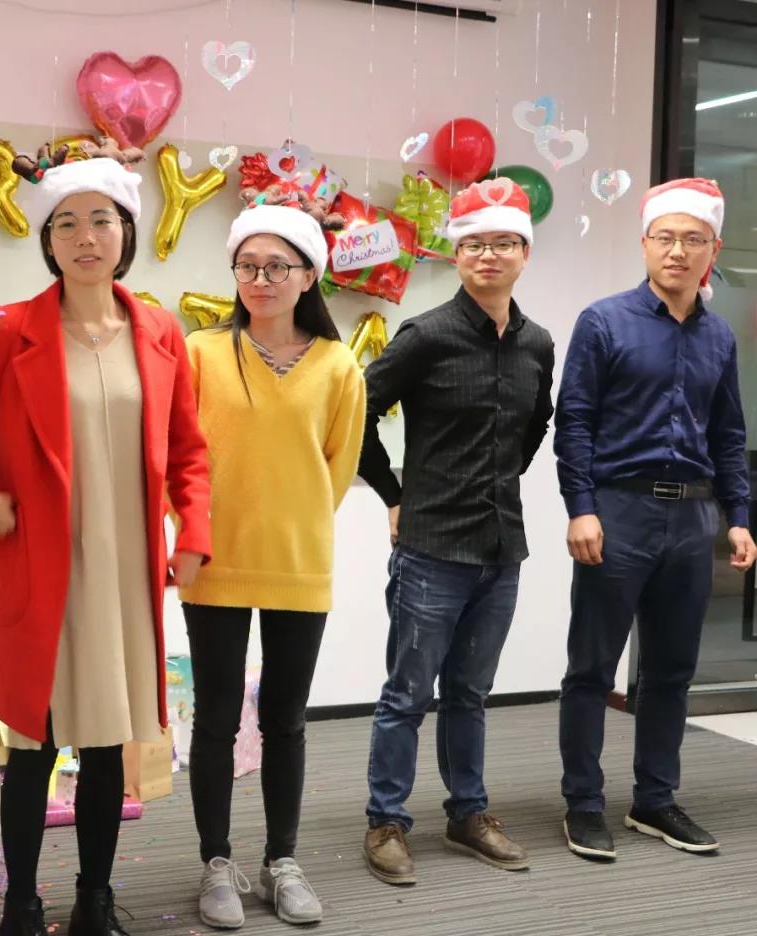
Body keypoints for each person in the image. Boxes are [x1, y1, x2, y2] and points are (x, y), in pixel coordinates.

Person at [0, 137, 211, 936]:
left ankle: (95, 901)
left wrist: (193, 529)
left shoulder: (160, 331)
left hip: (124, 574)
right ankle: (21, 905)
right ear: (46, 240)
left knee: (108, 746)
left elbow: (189, 451)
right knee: (35, 744)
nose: (85, 237)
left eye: (102, 220)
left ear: (126, 232)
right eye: (67, 223)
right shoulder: (11, 330)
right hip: (42, 570)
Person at [358, 180, 554, 885]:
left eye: (503, 243)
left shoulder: (537, 343)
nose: (488, 255)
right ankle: (386, 821)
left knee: (470, 693)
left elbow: (536, 424)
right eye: (474, 244)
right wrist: (394, 496)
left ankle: (468, 813)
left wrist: (497, 480)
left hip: (502, 549)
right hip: (432, 549)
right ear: (457, 255)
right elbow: (354, 413)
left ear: (524, 252)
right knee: (407, 695)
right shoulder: (426, 334)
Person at [179, 187, 365, 929]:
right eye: (248, 266)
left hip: (298, 560)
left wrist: (296, 520)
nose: (261, 279)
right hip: (213, 560)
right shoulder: (200, 352)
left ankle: (281, 860)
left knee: (286, 719)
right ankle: (215, 861)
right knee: (217, 719)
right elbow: (180, 458)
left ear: (309, 275)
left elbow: (338, 467)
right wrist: (187, 535)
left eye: (278, 266)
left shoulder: (339, 365)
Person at [556, 178, 757, 861]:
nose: (678, 251)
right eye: (665, 237)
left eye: (693, 239)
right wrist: (581, 507)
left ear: (712, 251)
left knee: (672, 670)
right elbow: (574, 422)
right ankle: (584, 803)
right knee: (592, 667)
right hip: (618, 511)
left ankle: (655, 798)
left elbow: (728, 432)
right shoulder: (604, 322)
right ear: (645, 244)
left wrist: (738, 515)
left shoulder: (719, 336)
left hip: (692, 516)